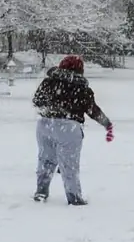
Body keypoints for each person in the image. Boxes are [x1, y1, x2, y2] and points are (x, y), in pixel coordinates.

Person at [31, 55, 113, 206]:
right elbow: (92, 110)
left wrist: (53, 106)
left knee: (45, 159)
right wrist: (106, 123)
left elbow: (36, 101)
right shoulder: (82, 88)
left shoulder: (49, 82)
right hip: (69, 127)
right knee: (69, 164)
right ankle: (74, 197)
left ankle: (41, 191)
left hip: (45, 124)